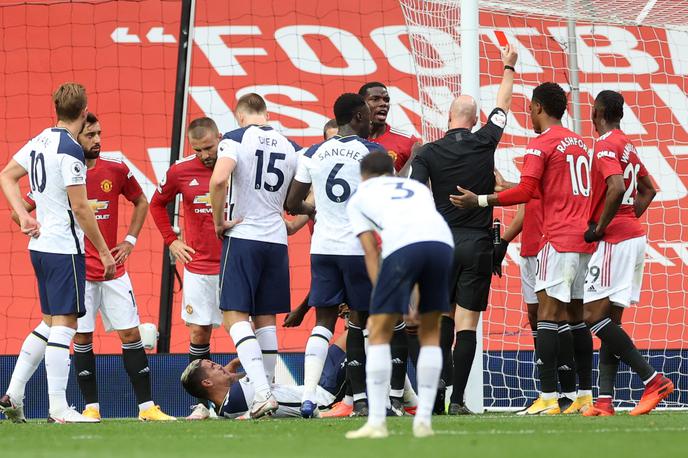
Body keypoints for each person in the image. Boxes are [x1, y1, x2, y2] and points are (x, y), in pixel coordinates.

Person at [12, 113, 174, 421]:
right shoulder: (61, 169)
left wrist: (129, 240)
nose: (97, 139)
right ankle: (91, 408)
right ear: (77, 137)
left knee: (131, 335)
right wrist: (28, 221)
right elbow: (23, 208)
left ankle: (147, 408)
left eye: (99, 133)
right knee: (80, 338)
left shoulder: (116, 168)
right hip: (77, 269)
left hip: (113, 268)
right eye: (90, 135)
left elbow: (142, 201)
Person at [450, 81, 594, 415]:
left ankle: (547, 398)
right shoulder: (579, 144)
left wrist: (480, 199)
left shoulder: (541, 144)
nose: (528, 113)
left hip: (555, 239)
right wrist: (509, 186)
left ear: (539, 107)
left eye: (529, 107)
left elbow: (528, 190)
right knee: (574, 317)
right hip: (581, 238)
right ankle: (581, 396)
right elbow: (548, 188)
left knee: (547, 316)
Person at [409, 44, 517, 415]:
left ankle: (435, 399)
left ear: (449, 117)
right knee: (468, 326)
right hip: (476, 243)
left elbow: (414, 192)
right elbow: (503, 105)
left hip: (440, 245)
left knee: (442, 320)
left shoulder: (426, 152)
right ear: (473, 119)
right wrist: (507, 67)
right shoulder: (486, 140)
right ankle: (458, 402)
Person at [0, 83, 116, 423]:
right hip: (65, 248)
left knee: (49, 323)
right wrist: (105, 252)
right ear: (84, 112)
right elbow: (81, 209)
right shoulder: (70, 149)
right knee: (66, 325)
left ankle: (14, 395)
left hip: (39, 248)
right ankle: (59, 409)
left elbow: (7, 176)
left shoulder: (40, 140)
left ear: (56, 109)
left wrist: (23, 215)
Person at [286, 93, 384, 418]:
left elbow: (292, 202)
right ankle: (367, 398)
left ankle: (309, 396)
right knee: (361, 322)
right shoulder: (371, 151)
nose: (372, 122)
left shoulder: (313, 152)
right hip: (357, 247)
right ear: (357, 117)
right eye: (368, 116)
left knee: (323, 322)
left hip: (323, 248)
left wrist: (315, 209)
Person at [345, 152, 453, 439]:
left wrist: (384, 298)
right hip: (442, 242)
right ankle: (424, 421)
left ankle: (377, 421)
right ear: (393, 172)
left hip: (404, 247)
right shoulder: (416, 187)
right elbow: (424, 231)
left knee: (378, 330)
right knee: (429, 331)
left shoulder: (359, 196)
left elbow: (371, 251)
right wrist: (414, 300)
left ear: (363, 176)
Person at [209, 93, 300, 419]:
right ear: (265, 113)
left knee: (234, 316)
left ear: (241, 115)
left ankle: (262, 393)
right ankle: (270, 388)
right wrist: (294, 224)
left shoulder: (235, 138)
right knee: (265, 319)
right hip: (276, 240)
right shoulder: (291, 145)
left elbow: (220, 178)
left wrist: (219, 221)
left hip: (244, 236)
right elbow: (308, 196)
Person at [582, 90, 672, 416]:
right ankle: (605, 401)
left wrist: (602, 227)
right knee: (610, 320)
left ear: (598, 112)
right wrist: (631, 218)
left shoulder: (606, 144)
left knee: (589, 315)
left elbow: (617, 187)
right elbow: (647, 189)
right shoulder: (627, 144)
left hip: (615, 241)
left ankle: (653, 379)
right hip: (633, 237)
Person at [150, 117, 224, 420]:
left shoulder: (235, 162)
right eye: (199, 150)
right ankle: (203, 405)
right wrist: (171, 241)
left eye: (209, 147)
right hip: (199, 267)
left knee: (246, 329)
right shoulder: (180, 171)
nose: (205, 154)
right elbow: (156, 204)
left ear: (220, 137)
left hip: (235, 263)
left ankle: (258, 395)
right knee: (198, 332)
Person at [180, 359, 338, 419]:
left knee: (344, 342)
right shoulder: (238, 396)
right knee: (354, 336)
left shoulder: (222, 407)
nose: (219, 365)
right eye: (213, 366)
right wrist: (237, 360)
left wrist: (229, 370)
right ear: (207, 383)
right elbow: (265, 363)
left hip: (317, 387)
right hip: (324, 398)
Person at [359, 82, 421, 175]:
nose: (383, 104)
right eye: (375, 99)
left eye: (386, 100)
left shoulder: (407, 141)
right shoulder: (349, 141)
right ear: (361, 105)